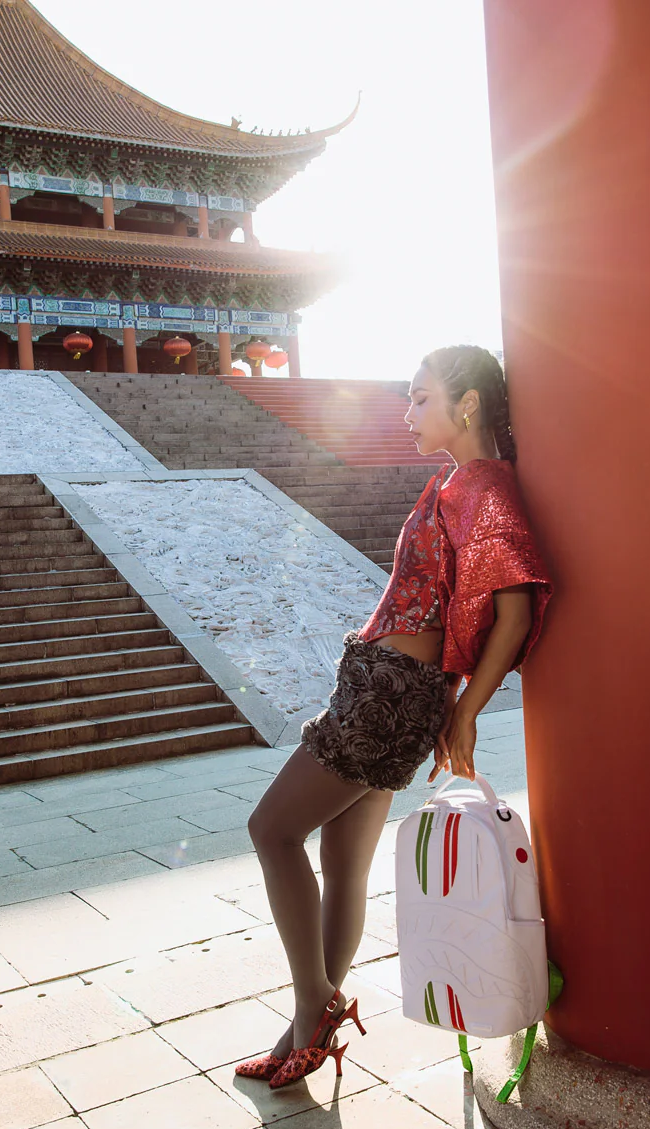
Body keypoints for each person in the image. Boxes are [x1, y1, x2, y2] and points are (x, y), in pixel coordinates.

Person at [236, 345, 552, 1090]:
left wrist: (468, 713)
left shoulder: (481, 485)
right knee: (343, 863)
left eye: (419, 398)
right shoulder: (462, 484)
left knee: (270, 829)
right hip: (391, 687)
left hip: (391, 693)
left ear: (467, 404)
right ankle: (301, 1035)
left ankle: (317, 1002)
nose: (406, 413)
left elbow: (517, 608)